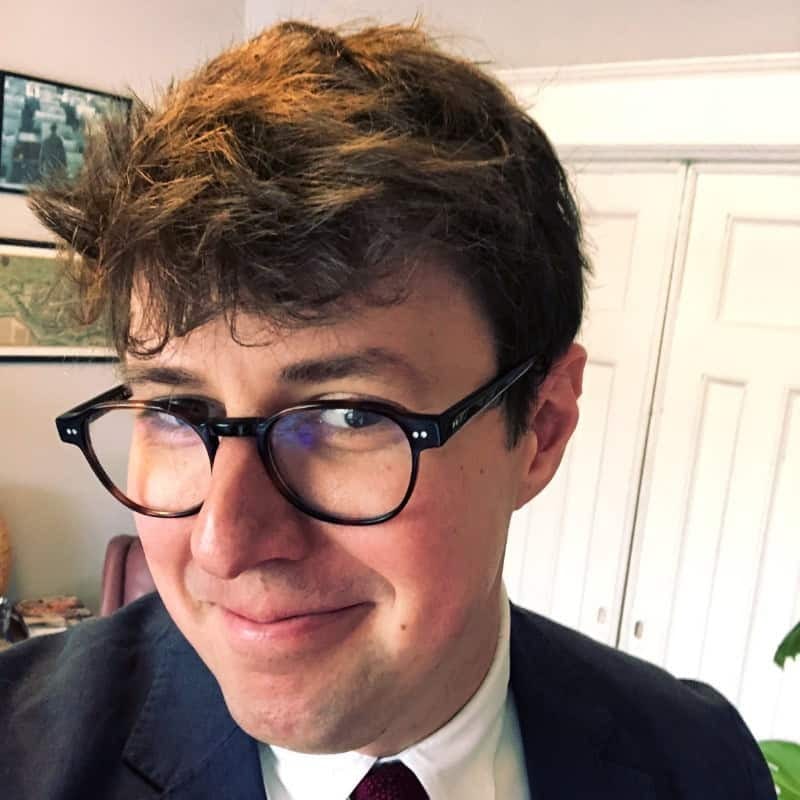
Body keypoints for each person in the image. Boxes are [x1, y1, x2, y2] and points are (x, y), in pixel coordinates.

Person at [0, 21, 774, 800]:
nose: (224, 543)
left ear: (541, 430)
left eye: (349, 416)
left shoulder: (700, 762)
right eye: (175, 409)